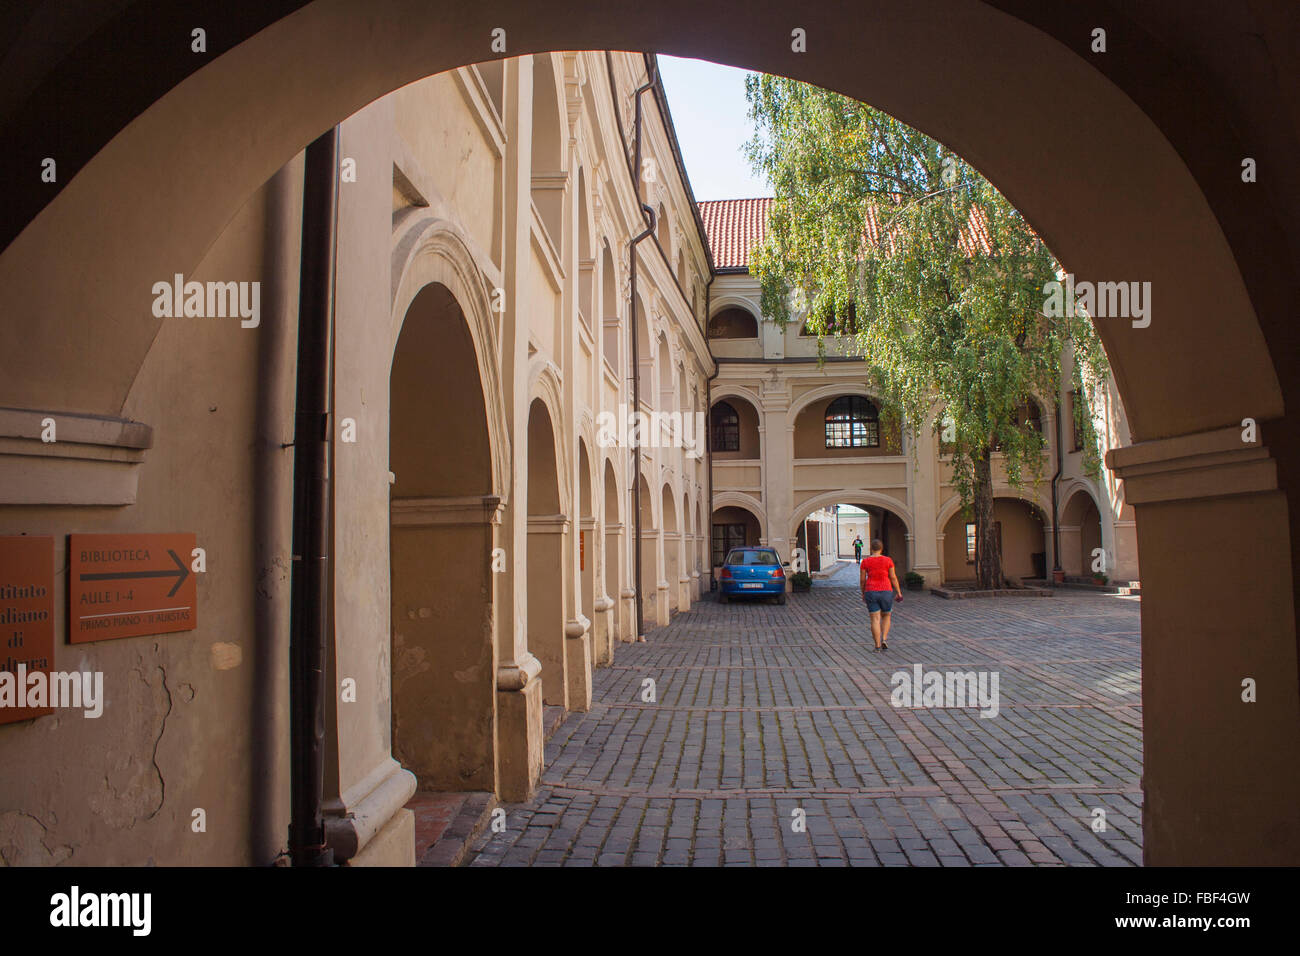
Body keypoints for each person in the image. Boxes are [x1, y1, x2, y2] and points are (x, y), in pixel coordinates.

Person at [859, 538, 903, 651]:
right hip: (886, 591)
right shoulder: (888, 560)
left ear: (871, 548)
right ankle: (884, 639)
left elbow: (862, 580)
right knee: (887, 615)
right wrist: (898, 592)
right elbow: (893, 577)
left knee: (875, 619)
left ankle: (877, 645)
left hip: (871, 591)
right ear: (881, 548)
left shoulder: (865, 562)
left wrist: (863, 592)